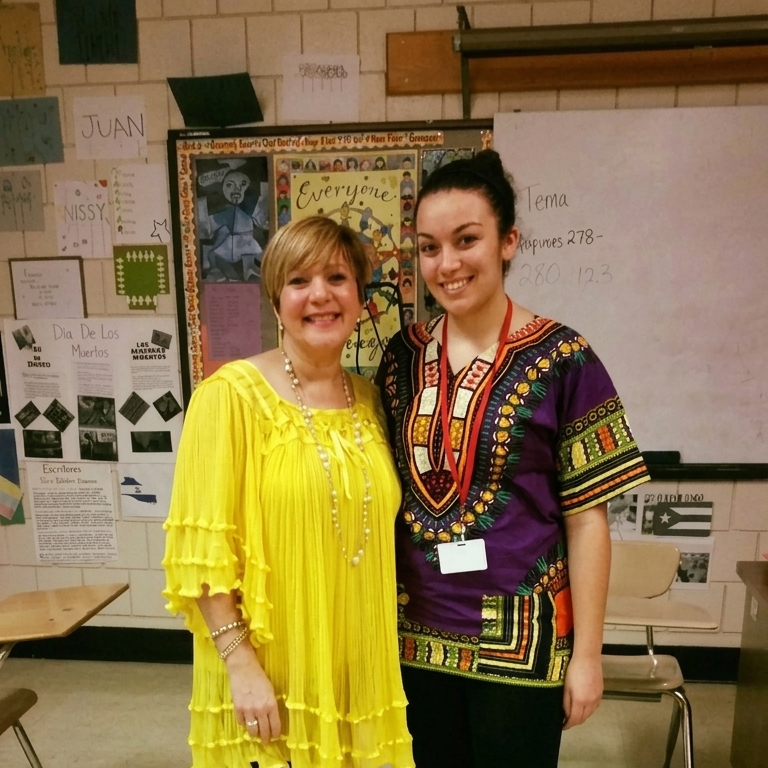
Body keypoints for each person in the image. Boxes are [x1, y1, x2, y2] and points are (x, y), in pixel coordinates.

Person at [376, 150, 650, 768]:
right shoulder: (400, 356)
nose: (446, 264)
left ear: (508, 242)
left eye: (466, 240)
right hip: (411, 640)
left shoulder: (563, 358)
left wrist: (588, 656)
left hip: (522, 640)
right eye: (428, 247)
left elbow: (587, 520)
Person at [163, 215, 413, 768]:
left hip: (355, 670)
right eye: (299, 281)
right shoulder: (228, 397)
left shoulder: (371, 401)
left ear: (359, 296)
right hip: (268, 674)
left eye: (336, 278)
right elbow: (200, 555)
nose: (319, 295)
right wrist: (239, 663)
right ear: (277, 301)